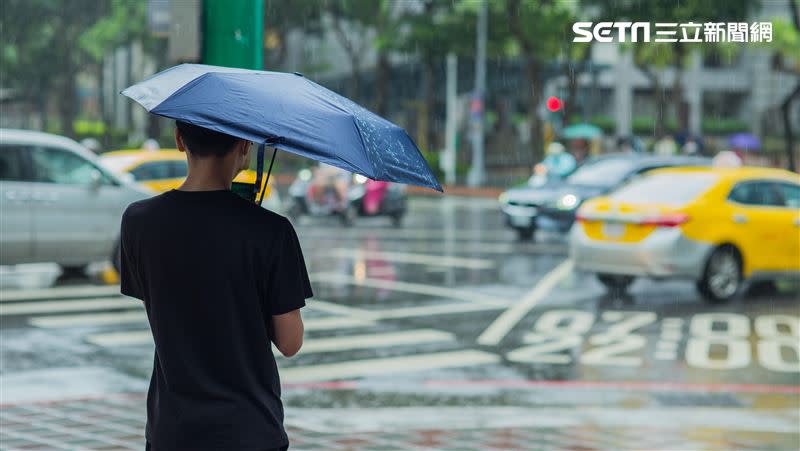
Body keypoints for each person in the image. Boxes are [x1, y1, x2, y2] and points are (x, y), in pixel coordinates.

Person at [119, 121, 311, 451]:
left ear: (179, 139)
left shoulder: (138, 221)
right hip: (249, 430)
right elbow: (290, 342)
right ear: (244, 145)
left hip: (172, 432)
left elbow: (163, 306)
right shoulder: (271, 231)